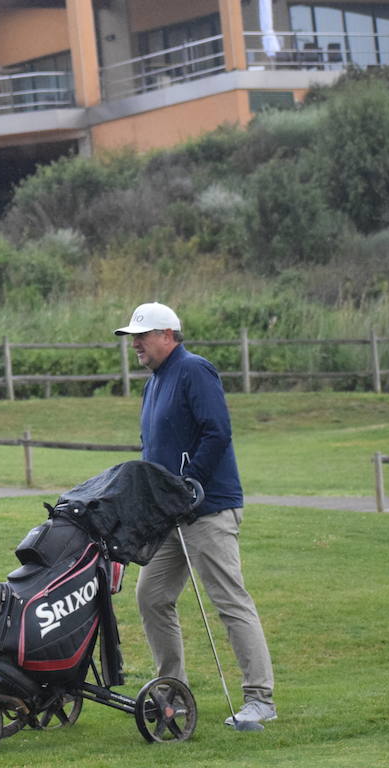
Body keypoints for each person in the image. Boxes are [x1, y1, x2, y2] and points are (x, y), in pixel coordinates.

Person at [114, 302, 277, 727]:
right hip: (170, 514)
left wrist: (191, 485)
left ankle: (260, 699)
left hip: (209, 509)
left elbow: (217, 431)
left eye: (142, 336)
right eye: (133, 337)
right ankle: (173, 694)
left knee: (229, 600)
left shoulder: (194, 370)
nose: (136, 344)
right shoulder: (154, 383)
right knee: (151, 597)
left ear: (168, 334)